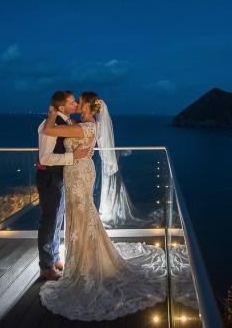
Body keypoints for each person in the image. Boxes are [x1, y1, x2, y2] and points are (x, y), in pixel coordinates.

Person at [39, 92, 166, 321]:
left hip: (78, 174)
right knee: (82, 215)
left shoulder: (82, 128)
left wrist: (50, 113)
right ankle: (85, 256)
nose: (76, 103)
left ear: (87, 105)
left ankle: (87, 262)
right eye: (73, 100)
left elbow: (48, 130)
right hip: (79, 171)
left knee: (82, 215)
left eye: (79, 100)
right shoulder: (86, 124)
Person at [37, 90, 90, 281]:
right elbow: (44, 158)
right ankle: (45, 267)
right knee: (49, 221)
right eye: (72, 101)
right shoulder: (48, 125)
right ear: (62, 107)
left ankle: (54, 258)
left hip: (59, 177)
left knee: (58, 218)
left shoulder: (66, 122)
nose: (76, 104)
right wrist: (73, 157)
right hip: (49, 177)